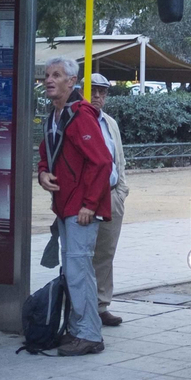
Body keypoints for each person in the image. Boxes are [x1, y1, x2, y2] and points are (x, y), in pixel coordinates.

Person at [36, 57, 114, 357]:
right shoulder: (56, 115)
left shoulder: (80, 115)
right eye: (46, 75)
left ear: (72, 81)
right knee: (75, 271)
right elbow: (46, 152)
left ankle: (89, 334)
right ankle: (80, 329)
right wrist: (43, 172)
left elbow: (102, 161)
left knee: (78, 270)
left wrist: (89, 205)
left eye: (56, 75)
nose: (49, 80)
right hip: (67, 207)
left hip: (80, 209)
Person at [87, 73, 128, 328]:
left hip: (112, 195)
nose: (99, 96)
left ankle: (101, 305)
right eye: (94, 91)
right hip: (85, 200)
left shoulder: (109, 123)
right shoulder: (76, 120)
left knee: (105, 253)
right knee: (82, 254)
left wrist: (122, 191)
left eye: (103, 92)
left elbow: (119, 159)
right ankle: (80, 307)